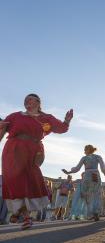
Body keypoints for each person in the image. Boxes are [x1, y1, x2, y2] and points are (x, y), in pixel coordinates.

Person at [0, 94, 73, 229]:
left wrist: (67, 120)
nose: (27, 101)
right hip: (13, 149)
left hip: (33, 152)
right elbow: (2, 129)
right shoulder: (15, 116)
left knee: (29, 181)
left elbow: (61, 128)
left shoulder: (46, 118)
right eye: (25, 99)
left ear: (39, 103)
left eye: (31, 99)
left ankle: (19, 212)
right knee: (13, 180)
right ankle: (25, 216)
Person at [62, 145, 105, 221]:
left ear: (88, 150)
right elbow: (103, 167)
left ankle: (90, 213)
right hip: (96, 176)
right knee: (96, 194)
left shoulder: (84, 158)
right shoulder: (98, 157)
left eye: (85, 150)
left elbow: (77, 168)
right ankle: (96, 212)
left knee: (87, 195)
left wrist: (69, 172)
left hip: (87, 176)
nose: (84, 151)